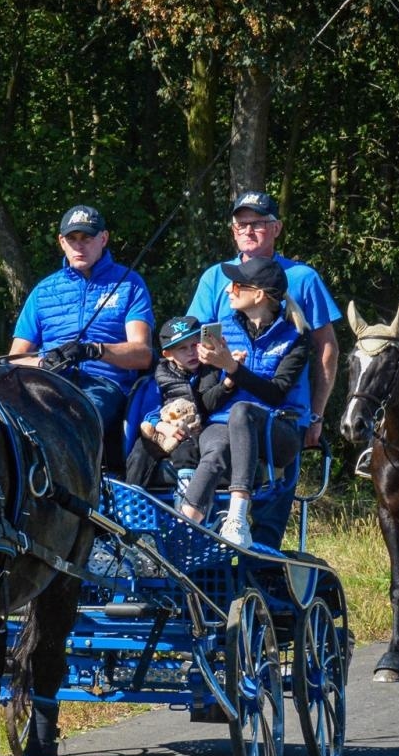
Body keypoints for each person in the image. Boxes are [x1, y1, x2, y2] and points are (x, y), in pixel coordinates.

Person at [185, 190, 340, 448]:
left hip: (282, 413)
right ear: (233, 230)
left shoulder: (303, 277)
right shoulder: (215, 278)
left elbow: (327, 347)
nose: (248, 231)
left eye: (257, 223)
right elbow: (197, 341)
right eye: (241, 224)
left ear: (276, 228)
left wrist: (316, 414)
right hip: (222, 412)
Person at [178, 256, 311, 547]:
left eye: (236, 285)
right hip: (221, 425)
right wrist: (227, 380)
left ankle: (237, 518)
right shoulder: (218, 333)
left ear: (259, 295)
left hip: (276, 429)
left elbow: (276, 394)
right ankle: (183, 530)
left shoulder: (296, 336)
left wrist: (233, 368)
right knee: (216, 449)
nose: (228, 290)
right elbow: (207, 404)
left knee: (242, 412)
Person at [9, 203, 153, 431]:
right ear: (61, 241)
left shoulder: (130, 283)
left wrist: (94, 350)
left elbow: (143, 354)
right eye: (72, 239)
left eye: (87, 238)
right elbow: (15, 358)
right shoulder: (42, 291)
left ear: (103, 239)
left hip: (103, 386)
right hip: (47, 383)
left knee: (71, 417)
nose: (79, 246)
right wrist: (44, 363)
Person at [123, 314, 232, 487]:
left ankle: (186, 494)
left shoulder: (212, 371)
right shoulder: (160, 377)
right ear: (168, 354)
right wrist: (163, 426)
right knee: (140, 451)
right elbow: (149, 412)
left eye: (195, 345)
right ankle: (132, 494)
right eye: (182, 348)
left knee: (185, 450)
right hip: (164, 431)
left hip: (196, 430)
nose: (191, 352)